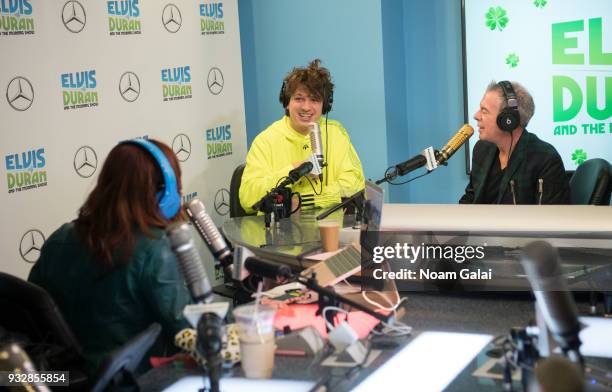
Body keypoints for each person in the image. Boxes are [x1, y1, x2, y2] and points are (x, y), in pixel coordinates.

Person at [28, 139, 191, 376]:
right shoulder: (156, 249)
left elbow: (32, 321)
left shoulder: (59, 238)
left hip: (59, 379)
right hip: (134, 382)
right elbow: (190, 336)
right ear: (165, 194)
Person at [239, 59, 365, 214]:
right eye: (299, 98)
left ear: (325, 105)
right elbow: (247, 198)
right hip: (281, 233)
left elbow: (355, 184)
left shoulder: (335, 133)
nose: (306, 107)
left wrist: (302, 201)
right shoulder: (265, 141)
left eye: (314, 99)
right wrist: (292, 170)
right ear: (287, 102)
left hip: (329, 229)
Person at [459, 81, 570, 204]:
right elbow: (470, 199)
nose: (476, 116)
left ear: (508, 120)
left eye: (484, 111)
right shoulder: (482, 149)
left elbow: (551, 217)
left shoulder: (545, 158)